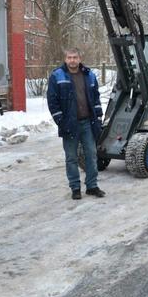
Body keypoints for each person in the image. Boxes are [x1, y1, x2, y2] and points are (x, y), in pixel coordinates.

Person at [47, 48, 105, 200]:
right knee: (71, 158)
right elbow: (52, 102)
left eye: (75, 57)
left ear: (80, 58)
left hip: (88, 122)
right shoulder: (57, 76)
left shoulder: (89, 75)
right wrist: (61, 121)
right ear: (65, 59)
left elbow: (96, 97)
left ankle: (92, 186)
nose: (72, 60)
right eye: (69, 57)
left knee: (91, 155)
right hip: (70, 124)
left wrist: (98, 117)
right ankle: (75, 188)